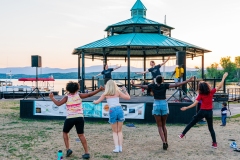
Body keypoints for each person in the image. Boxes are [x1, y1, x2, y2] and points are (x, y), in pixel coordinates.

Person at [131, 75, 194, 150]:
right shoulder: (165, 85)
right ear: (162, 80)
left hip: (156, 104)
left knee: (159, 126)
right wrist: (188, 80)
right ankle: (166, 141)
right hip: (164, 104)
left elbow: (143, 86)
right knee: (164, 125)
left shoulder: (152, 85)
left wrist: (134, 84)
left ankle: (164, 142)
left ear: (156, 80)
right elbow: (177, 84)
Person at [49, 81, 104, 159]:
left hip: (70, 118)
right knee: (81, 135)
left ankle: (68, 149)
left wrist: (52, 98)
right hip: (79, 117)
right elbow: (89, 94)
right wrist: (99, 90)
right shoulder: (79, 95)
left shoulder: (66, 97)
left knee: (65, 132)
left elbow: (58, 104)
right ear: (77, 88)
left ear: (68, 89)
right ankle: (86, 152)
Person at [179, 72, 228, 149]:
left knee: (192, 123)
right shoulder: (211, 92)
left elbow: (194, 104)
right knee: (211, 128)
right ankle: (214, 143)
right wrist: (223, 77)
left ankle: (182, 134)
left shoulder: (200, 95)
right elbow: (220, 86)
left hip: (202, 111)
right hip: (209, 112)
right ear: (207, 86)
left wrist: (186, 108)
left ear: (200, 88)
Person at [93, 80, 130, 153]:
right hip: (119, 109)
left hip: (112, 110)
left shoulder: (105, 94)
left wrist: (93, 101)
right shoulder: (118, 92)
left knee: (114, 131)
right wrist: (125, 90)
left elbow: (97, 102)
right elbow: (128, 97)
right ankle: (120, 147)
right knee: (119, 131)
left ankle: (116, 147)